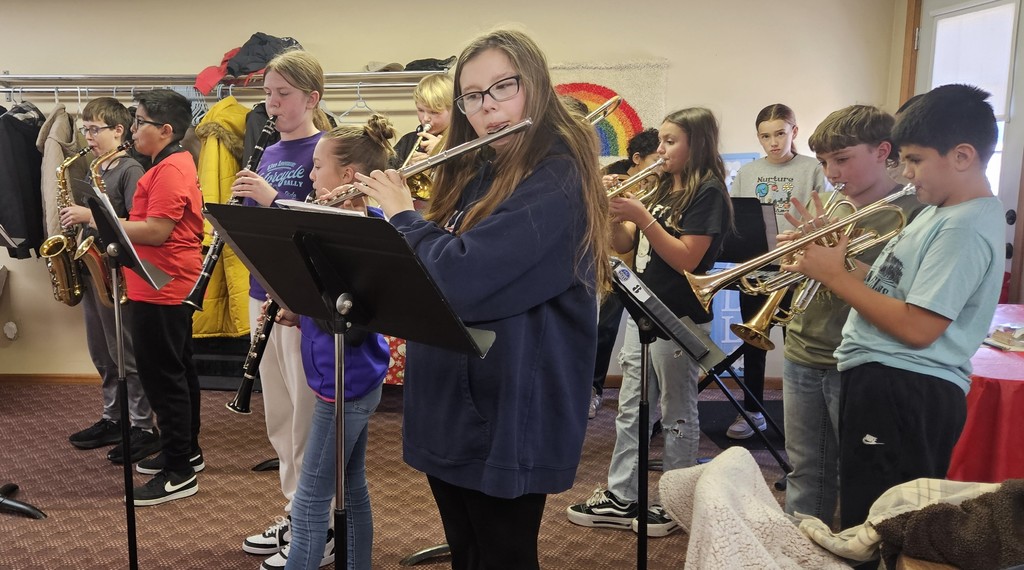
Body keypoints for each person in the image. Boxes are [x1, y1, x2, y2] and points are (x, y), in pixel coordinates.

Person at [356, 29, 611, 569]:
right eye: (471, 96)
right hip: (457, 400)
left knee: (501, 556)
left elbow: (462, 276)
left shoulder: (557, 177)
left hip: (508, 408)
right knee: (468, 552)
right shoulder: (482, 170)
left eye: (502, 87)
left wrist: (402, 217)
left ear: (535, 86)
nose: (486, 107)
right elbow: (429, 272)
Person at [783, 84, 1003, 530]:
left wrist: (835, 276)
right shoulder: (941, 212)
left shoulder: (963, 227)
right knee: (865, 512)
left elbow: (919, 328)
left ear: (962, 156)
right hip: (884, 377)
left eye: (915, 160)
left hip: (905, 384)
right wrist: (836, 258)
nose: (906, 173)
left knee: (882, 524)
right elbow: (894, 287)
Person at [567, 107, 733, 537]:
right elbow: (627, 244)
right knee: (631, 409)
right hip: (643, 311)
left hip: (678, 315)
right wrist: (610, 214)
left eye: (670, 141)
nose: (660, 150)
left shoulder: (708, 192)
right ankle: (623, 495)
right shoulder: (661, 184)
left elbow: (687, 258)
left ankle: (677, 502)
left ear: (697, 145)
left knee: (677, 413)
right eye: (661, 140)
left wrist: (643, 215)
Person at [259, 117, 394, 570]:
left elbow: (354, 321)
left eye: (318, 167)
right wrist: (300, 312)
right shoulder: (333, 225)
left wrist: (308, 307)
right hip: (339, 377)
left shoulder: (364, 233)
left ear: (349, 175)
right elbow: (331, 307)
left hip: (346, 382)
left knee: (310, 501)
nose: (311, 176)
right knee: (351, 487)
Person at [780, 104, 922, 523]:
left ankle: (853, 549)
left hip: (860, 361)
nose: (832, 173)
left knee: (862, 475)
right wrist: (799, 259)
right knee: (804, 469)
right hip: (803, 349)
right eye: (824, 162)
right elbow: (814, 277)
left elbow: (904, 296)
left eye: (842, 159)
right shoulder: (834, 206)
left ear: (882, 151)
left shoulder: (915, 213)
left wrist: (832, 264)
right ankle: (799, 548)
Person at [229, 49, 332, 558]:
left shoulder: (327, 149)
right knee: (281, 414)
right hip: (262, 293)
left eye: (283, 94)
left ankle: (318, 523)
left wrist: (271, 199)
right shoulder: (264, 151)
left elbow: (325, 225)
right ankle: (295, 511)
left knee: (307, 417)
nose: (271, 104)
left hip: (302, 302)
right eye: (268, 93)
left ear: (311, 98)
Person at [61, 97, 161, 465]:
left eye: (94, 129)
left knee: (125, 354)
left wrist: (88, 216)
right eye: (84, 129)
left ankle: (142, 426)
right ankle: (113, 418)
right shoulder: (96, 167)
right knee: (102, 352)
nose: (87, 136)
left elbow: (139, 224)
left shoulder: (130, 170)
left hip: (118, 273)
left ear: (119, 130)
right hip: (94, 267)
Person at [118, 89, 204, 506]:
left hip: (162, 285)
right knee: (178, 371)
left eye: (139, 122)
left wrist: (99, 218)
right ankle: (185, 452)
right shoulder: (170, 163)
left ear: (165, 129)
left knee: (163, 379)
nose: (133, 129)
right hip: (161, 283)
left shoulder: (170, 168)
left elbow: (156, 231)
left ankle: (179, 473)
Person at [727, 103, 826, 440]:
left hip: (798, 269)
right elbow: (737, 220)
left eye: (780, 134)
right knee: (754, 341)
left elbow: (823, 217)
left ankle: (804, 417)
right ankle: (752, 411)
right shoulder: (747, 172)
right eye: (765, 136)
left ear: (794, 132)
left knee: (797, 343)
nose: (773, 142)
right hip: (758, 268)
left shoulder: (813, 169)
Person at [591, 127, 660, 419]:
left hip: (645, 269)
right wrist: (599, 190)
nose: (660, 165)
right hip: (614, 267)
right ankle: (593, 390)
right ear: (637, 159)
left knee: (647, 337)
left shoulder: (660, 186)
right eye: (655, 159)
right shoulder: (610, 175)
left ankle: (652, 403)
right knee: (604, 328)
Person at [389, 73, 453, 174]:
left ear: (453, 111)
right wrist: (407, 168)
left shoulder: (465, 142)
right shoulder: (408, 141)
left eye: (434, 112)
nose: (425, 118)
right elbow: (387, 174)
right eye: (420, 110)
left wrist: (442, 152)